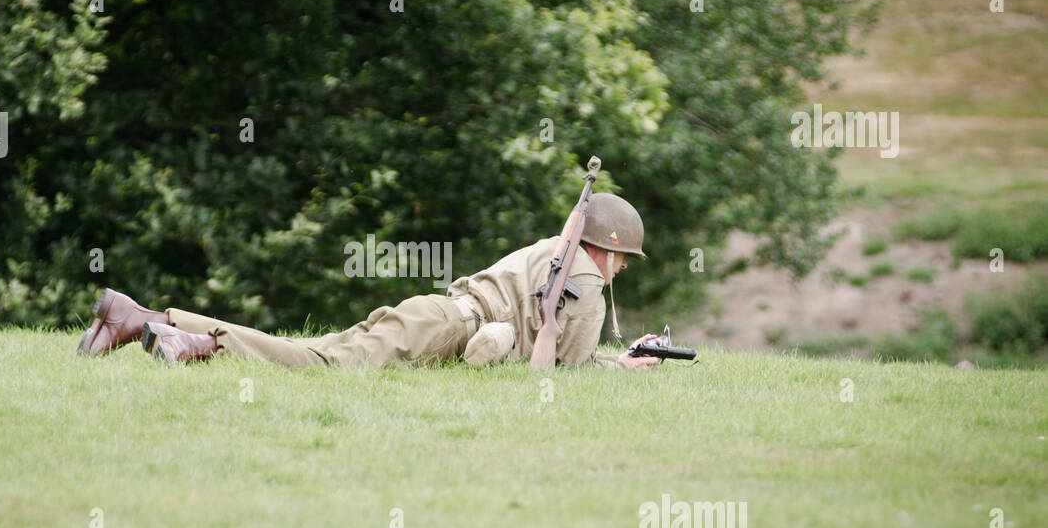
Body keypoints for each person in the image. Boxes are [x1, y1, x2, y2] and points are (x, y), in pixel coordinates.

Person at [76, 193, 661, 371]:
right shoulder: (587, 280)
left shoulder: (553, 253)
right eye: (625, 258)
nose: (624, 268)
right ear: (607, 248)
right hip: (449, 329)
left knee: (315, 352)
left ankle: (142, 320)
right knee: (321, 369)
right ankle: (187, 340)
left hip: (438, 312)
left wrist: (624, 359)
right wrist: (627, 369)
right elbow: (569, 377)